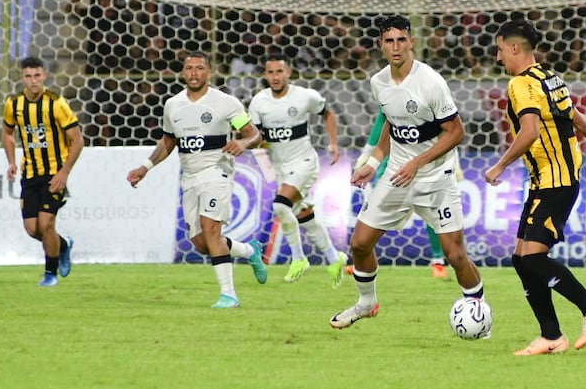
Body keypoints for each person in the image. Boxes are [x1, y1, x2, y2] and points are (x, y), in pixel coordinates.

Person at [330, 14, 485, 330]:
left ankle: (479, 315)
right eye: (390, 41)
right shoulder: (378, 82)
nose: (396, 46)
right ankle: (366, 303)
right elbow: (392, 121)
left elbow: (455, 132)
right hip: (397, 177)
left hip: (435, 178)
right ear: (381, 45)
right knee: (360, 243)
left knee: (455, 256)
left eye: (402, 39)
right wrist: (373, 164)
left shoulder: (430, 82)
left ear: (412, 42)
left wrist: (419, 162)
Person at [484, 19, 586, 355]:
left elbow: (529, 131)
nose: (498, 58)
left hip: (554, 182)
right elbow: (575, 117)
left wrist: (499, 165)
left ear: (514, 47)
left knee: (532, 258)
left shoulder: (520, 85)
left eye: (501, 50)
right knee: (521, 258)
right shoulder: (550, 78)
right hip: (553, 181)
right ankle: (550, 336)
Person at [126, 51, 267, 308]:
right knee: (203, 244)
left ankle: (229, 295)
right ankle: (248, 251)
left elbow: (253, 133)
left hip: (217, 170)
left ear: (209, 73)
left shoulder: (224, 103)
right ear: (183, 72)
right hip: (189, 176)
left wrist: (243, 142)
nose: (194, 73)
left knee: (211, 228)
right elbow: (169, 141)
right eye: (189, 68)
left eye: (199, 68)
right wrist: (145, 167)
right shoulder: (173, 105)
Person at [247, 53, 346, 286]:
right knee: (305, 215)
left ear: (288, 73)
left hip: (304, 163)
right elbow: (257, 137)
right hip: (282, 167)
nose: (275, 77)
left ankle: (299, 258)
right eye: (270, 72)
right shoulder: (259, 102)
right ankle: (334, 257)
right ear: (265, 75)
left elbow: (328, 114)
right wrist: (246, 141)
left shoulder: (305, 96)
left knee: (281, 205)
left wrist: (333, 143)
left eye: (279, 72)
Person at [2, 57, 83, 287]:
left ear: (45, 76)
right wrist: (11, 162)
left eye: (37, 75)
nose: (34, 81)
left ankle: (50, 274)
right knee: (32, 229)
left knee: (46, 223)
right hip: (30, 174)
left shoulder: (56, 104)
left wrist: (64, 173)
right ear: (22, 78)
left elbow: (77, 140)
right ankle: (63, 244)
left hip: (54, 174)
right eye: (28, 76)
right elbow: (7, 133)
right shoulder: (14, 104)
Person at [353, 109, 449, 278]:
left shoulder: (432, 94)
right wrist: (367, 155)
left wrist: (451, 163)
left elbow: (450, 129)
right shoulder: (390, 95)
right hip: (394, 161)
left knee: (434, 214)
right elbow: (382, 122)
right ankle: (364, 261)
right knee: (374, 214)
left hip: (428, 164)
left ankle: (438, 261)